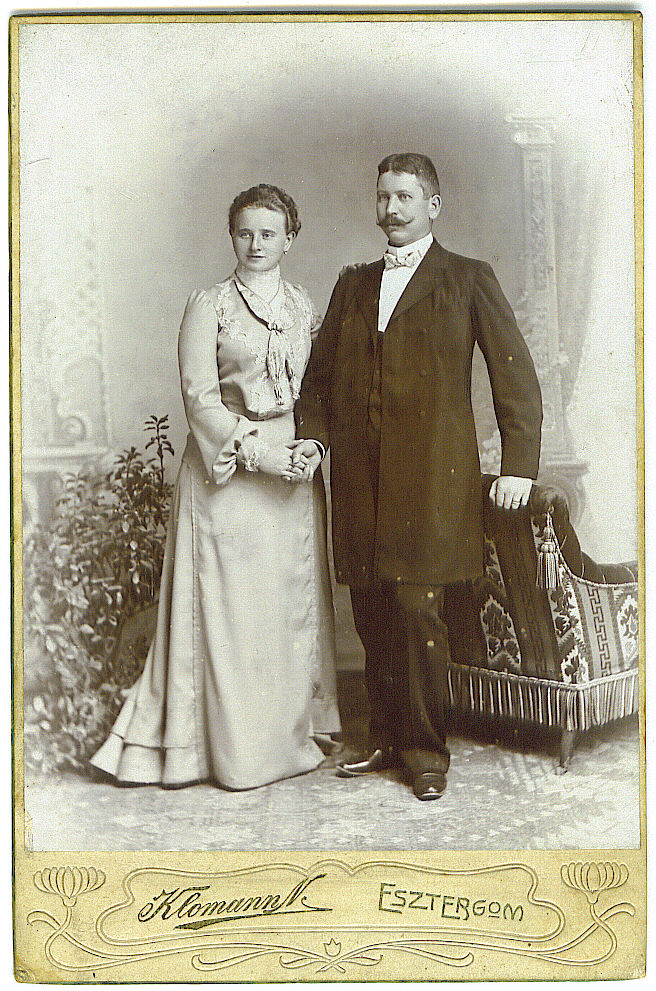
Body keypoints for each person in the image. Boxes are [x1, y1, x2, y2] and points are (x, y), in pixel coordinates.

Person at [293, 153, 542, 801]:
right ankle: (383, 737)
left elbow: (514, 374)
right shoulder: (353, 285)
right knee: (372, 611)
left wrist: (518, 463)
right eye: (383, 197)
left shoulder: (468, 278)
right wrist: (313, 439)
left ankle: (426, 752)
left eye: (405, 197)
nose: (391, 209)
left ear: (433, 205)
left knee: (417, 612)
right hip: (360, 481)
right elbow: (317, 380)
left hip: (432, 480)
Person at [91, 184, 340, 790]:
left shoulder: (302, 305)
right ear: (231, 236)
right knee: (232, 612)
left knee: (284, 611)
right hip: (229, 471)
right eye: (245, 232)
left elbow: (318, 389)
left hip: (292, 477)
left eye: (269, 233)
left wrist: (311, 446)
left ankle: (287, 740)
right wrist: (261, 453)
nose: (256, 245)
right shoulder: (210, 305)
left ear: (290, 239)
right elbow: (199, 398)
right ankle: (233, 754)